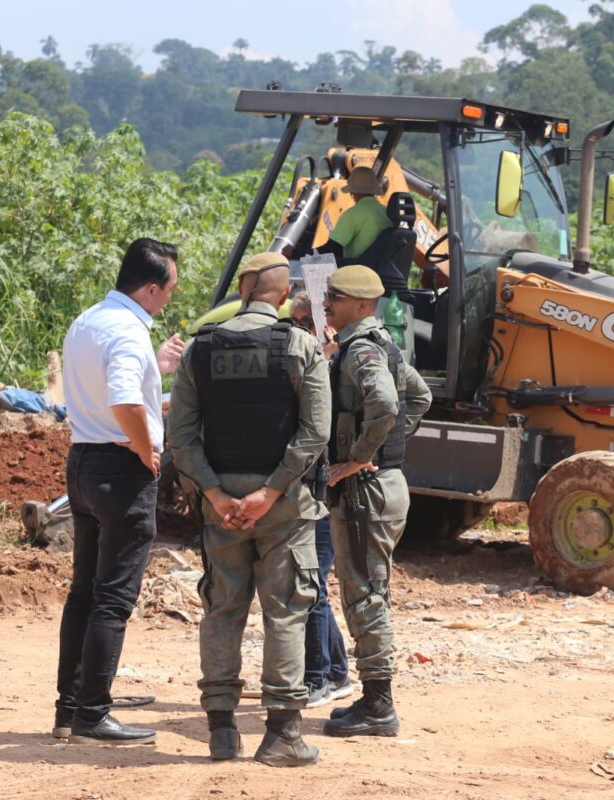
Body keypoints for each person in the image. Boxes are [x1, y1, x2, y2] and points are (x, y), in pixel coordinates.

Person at [167, 252, 330, 767]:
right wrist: (272, 492)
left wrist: (215, 494)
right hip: (282, 507)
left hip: (221, 509)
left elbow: (180, 436)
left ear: (242, 289)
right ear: (283, 295)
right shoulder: (301, 346)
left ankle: (221, 730)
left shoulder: (200, 350)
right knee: (285, 612)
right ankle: (282, 733)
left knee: (222, 609)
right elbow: (315, 432)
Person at [55, 238, 183, 746]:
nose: (170, 298)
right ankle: (93, 716)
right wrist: (146, 447)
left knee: (84, 592)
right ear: (151, 288)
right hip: (120, 468)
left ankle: (69, 709)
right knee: (114, 598)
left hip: (83, 460)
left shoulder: (89, 321)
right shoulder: (129, 332)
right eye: (170, 288)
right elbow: (126, 399)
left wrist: (158, 370)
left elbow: (117, 389)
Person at [320, 265, 431, 738]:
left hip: (367, 491)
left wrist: (361, 456)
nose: (327, 301)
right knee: (368, 592)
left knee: (365, 597)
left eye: (336, 297)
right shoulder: (383, 343)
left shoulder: (361, 349)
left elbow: (387, 404)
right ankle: (371, 699)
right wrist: (385, 452)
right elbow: (420, 398)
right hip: (382, 485)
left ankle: (379, 706)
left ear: (362, 306)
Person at [288, 293, 353, 708]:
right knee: (312, 584)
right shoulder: (306, 365)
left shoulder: (334, 369)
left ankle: (320, 676)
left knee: (311, 584)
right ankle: (336, 672)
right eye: (292, 323)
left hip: (324, 492)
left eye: (306, 325)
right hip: (309, 491)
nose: (298, 333)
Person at [317, 167, 391, 265]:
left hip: (357, 273)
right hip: (381, 272)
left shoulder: (351, 215)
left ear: (353, 192)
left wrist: (298, 252)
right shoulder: (388, 213)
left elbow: (331, 250)